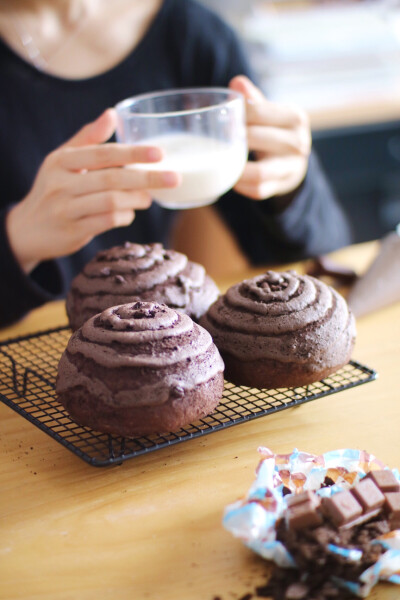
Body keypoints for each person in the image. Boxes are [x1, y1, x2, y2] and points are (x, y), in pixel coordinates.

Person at [0, 0, 352, 327]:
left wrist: (289, 186)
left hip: (154, 338)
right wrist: (16, 240)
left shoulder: (188, 34)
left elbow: (312, 259)